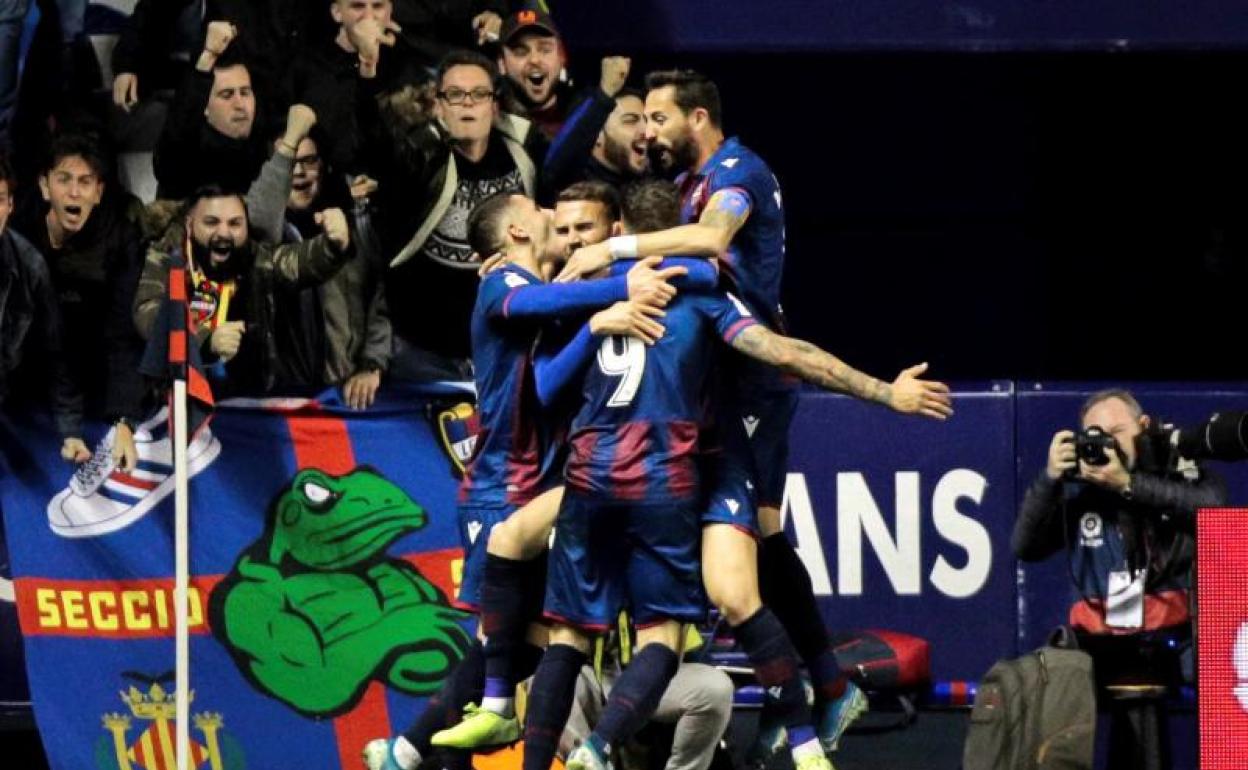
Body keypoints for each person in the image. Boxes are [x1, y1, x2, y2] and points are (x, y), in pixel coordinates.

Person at [364, 188, 693, 770]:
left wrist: (596, 307)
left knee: (529, 647)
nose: (551, 219)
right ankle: (413, 749)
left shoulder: (545, 293)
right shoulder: (502, 286)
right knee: (502, 647)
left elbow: (551, 342)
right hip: (501, 489)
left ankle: (412, 747)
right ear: (516, 232)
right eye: (539, 213)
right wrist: (618, 294)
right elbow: (537, 363)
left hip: (536, 486)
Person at [1012, 389, 1226, 768]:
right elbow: (1025, 547)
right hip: (1098, 642)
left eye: (1116, 431)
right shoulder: (1077, 488)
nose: (1105, 442)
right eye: (1094, 434)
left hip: (1175, 641)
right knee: (1040, 682)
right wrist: (1048, 479)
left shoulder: (1175, 468)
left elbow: (1217, 512)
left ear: (1143, 428)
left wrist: (1127, 484)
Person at [379, 49, 546, 382]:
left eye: (479, 94)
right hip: (423, 350)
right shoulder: (417, 159)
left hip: (505, 343)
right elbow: (388, 160)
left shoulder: (524, 153)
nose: (467, 104)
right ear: (438, 105)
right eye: (455, 95)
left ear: (494, 105)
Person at [133, 186, 353, 398]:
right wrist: (206, 339)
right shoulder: (164, 258)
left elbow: (297, 263)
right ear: (189, 225)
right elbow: (150, 315)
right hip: (178, 399)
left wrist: (333, 245)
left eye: (235, 224)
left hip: (247, 399)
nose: (224, 233)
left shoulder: (254, 256)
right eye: (211, 222)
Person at [14, 131, 145, 473]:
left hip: (93, 381)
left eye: (85, 182)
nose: (74, 192)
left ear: (99, 192)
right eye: (64, 180)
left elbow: (122, 334)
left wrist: (123, 420)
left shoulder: (121, 244)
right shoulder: (17, 236)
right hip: (23, 385)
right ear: (45, 187)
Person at [153, 21, 268, 199]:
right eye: (227, 94)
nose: (240, 104)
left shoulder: (264, 143)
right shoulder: (186, 154)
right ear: (203, 106)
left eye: (245, 93)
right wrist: (208, 56)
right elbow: (174, 147)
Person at [540, 57, 647, 203]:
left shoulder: (651, 176)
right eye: (630, 121)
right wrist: (604, 95)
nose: (646, 130)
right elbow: (555, 169)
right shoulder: (575, 185)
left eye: (646, 120)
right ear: (596, 135)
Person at [495, 8, 570, 140]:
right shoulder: (490, 125)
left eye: (545, 50)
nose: (534, 60)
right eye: (520, 52)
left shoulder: (587, 111)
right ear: (502, 64)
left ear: (562, 57)